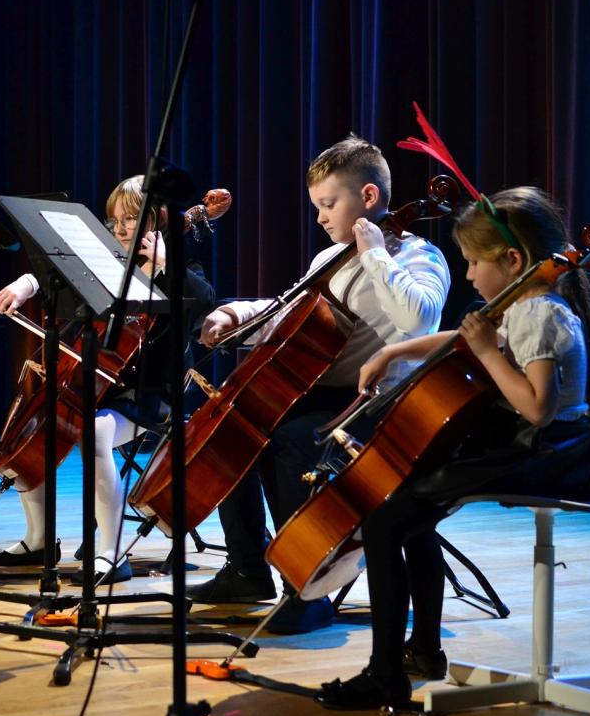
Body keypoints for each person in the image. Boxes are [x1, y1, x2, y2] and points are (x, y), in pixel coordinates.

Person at [314, 187, 590, 709]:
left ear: (513, 261)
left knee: (386, 522)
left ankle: (385, 673)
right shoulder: (527, 306)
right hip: (539, 448)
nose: (471, 275)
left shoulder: (541, 314)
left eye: (475, 262)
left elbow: (537, 408)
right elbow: (463, 337)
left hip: (546, 453)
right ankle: (417, 652)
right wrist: (394, 351)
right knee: (404, 512)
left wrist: (485, 352)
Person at [190, 135, 450, 634]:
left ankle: (306, 586)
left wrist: (375, 256)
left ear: (368, 197)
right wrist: (232, 314)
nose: (320, 218)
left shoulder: (420, 257)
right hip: (324, 395)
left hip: (380, 405)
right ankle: (247, 569)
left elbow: (419, 320)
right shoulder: (329, 259)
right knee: (235, 425)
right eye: (317, 207)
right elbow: (285, 310)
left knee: (289, 440)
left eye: (328, 204)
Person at [0, 175, 217, 584]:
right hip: (99, 382)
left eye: (131, 219)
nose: (121, 229)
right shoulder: (107, 262)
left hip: (150, 393)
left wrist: (168, 265)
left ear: (156, 221)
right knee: (33, 428)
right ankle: (38, 540)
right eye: (114, 221)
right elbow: (58, 270)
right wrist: (25, 284)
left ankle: (111, 551)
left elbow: (206, 300)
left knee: (93, 432)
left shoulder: (180, 268)